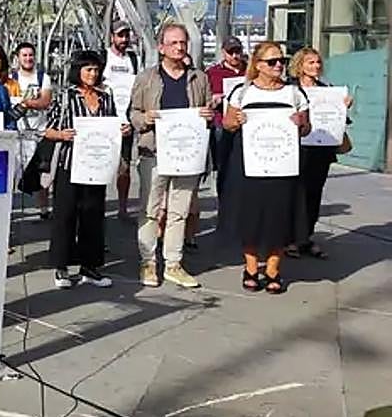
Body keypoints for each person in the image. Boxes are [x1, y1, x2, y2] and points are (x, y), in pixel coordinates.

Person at [219, 41, 310, 294]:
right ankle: (250, 267)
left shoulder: (294, 93)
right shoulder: (242, 92)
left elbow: (307, 128)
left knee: (279, 217)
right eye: (272, 62)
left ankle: (272, 269)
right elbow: (227, 124)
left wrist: (301, 124)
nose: (279, 65)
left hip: (284, 165)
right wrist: (235, 121)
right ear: (257, 65)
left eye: (281, 60)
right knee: (250, 216)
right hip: (249, 164)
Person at [128, 23, 214, 289]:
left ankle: (174, 263)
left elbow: (209, 109)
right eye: (174, 43)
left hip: (187, 154)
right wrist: (145, 118)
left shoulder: (199, 78)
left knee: (180, 211)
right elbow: (132, 113)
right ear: (161, 47)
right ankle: (148, 261)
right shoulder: (147, 78)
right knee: (150, 209)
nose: (179, 47)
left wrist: (208, 115)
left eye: (183, 42)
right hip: (154, 151)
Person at [45, 50, 131, 289]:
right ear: (78, 70)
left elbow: (112, 124)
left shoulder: (106, 97)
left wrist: (122, 130)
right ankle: (61, 267)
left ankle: (90, 267)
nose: (92, 74)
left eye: (96, 69)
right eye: (88, 69)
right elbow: (47, 129)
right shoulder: (65, 97)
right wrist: (62, 135)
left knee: (93, 214)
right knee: (65, 215)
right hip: (70, 164)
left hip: (97, 165)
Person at [288, 47, 352, 260]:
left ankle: (306, 238)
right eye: (310, 63)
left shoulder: (328, 90)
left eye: (317, 62)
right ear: (300, 66)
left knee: (314, 193)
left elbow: (339, 120)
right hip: (296, 149)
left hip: (321, 149)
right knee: (296, 193)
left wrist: (344, 107)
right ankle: (292, 239)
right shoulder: (290, 90)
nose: (316, 66)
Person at [102, 22, 140, 220]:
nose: (124, 39)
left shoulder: (134, 59)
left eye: (126, 35)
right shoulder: (103, 57)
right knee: (101, 163)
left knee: (124, 166)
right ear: (111, 37)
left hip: (127, 121)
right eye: (120, 35)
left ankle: (123, 208)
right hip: (106, 120)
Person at [13, 42, 54, 220]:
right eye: (24, 55)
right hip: (18, 133)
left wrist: (25, 103)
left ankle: (43, 209)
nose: (28, 58)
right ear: (18, 58)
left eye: (31, 55)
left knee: (41, 173)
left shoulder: (42, 77)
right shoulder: (11, 78)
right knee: (15, 173)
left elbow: (45, 101)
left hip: (39, 132)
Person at [206, 36, 248, 196]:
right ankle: (222, 190)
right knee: (223, 160)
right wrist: (214, 100)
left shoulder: (250, 70)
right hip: (221, 121)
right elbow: (205, 99)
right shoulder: (212, 72)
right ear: (223, 53)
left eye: (237, 51)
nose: (235, 56)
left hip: (245, 120)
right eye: (231, 52)